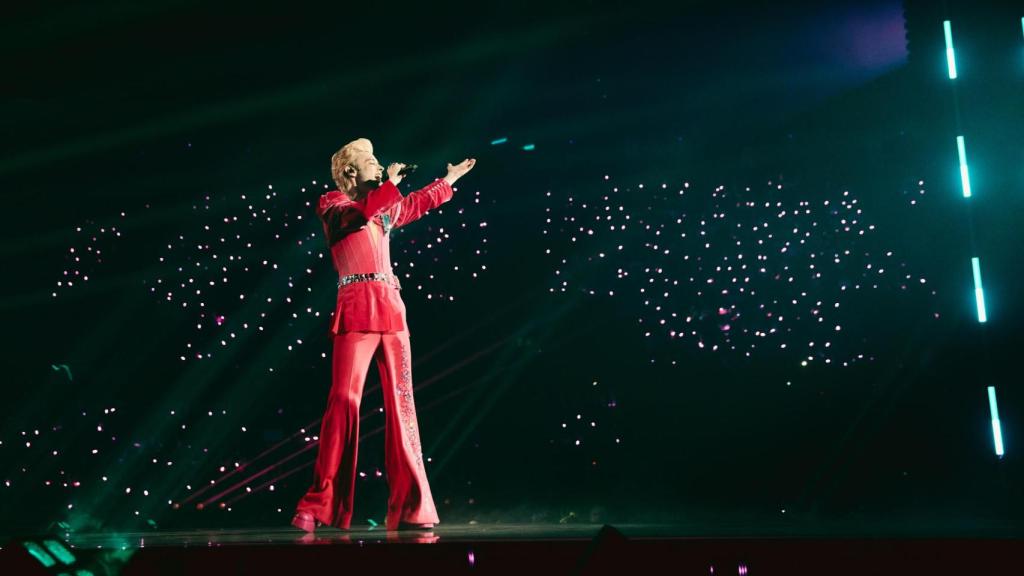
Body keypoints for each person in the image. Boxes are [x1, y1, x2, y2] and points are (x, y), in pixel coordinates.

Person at [291, 137, 476, 532]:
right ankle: (320, 504)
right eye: (371, 161)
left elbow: (410, 206)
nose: (379, 165)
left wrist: (449, 178)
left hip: (390, 308)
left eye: (378, 161)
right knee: (344, 399)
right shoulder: (333, 204)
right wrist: (389, 182)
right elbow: (358, 215)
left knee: (401, 404)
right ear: (352, 172)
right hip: (356, 308)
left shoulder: (382, 209)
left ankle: (412, 507)